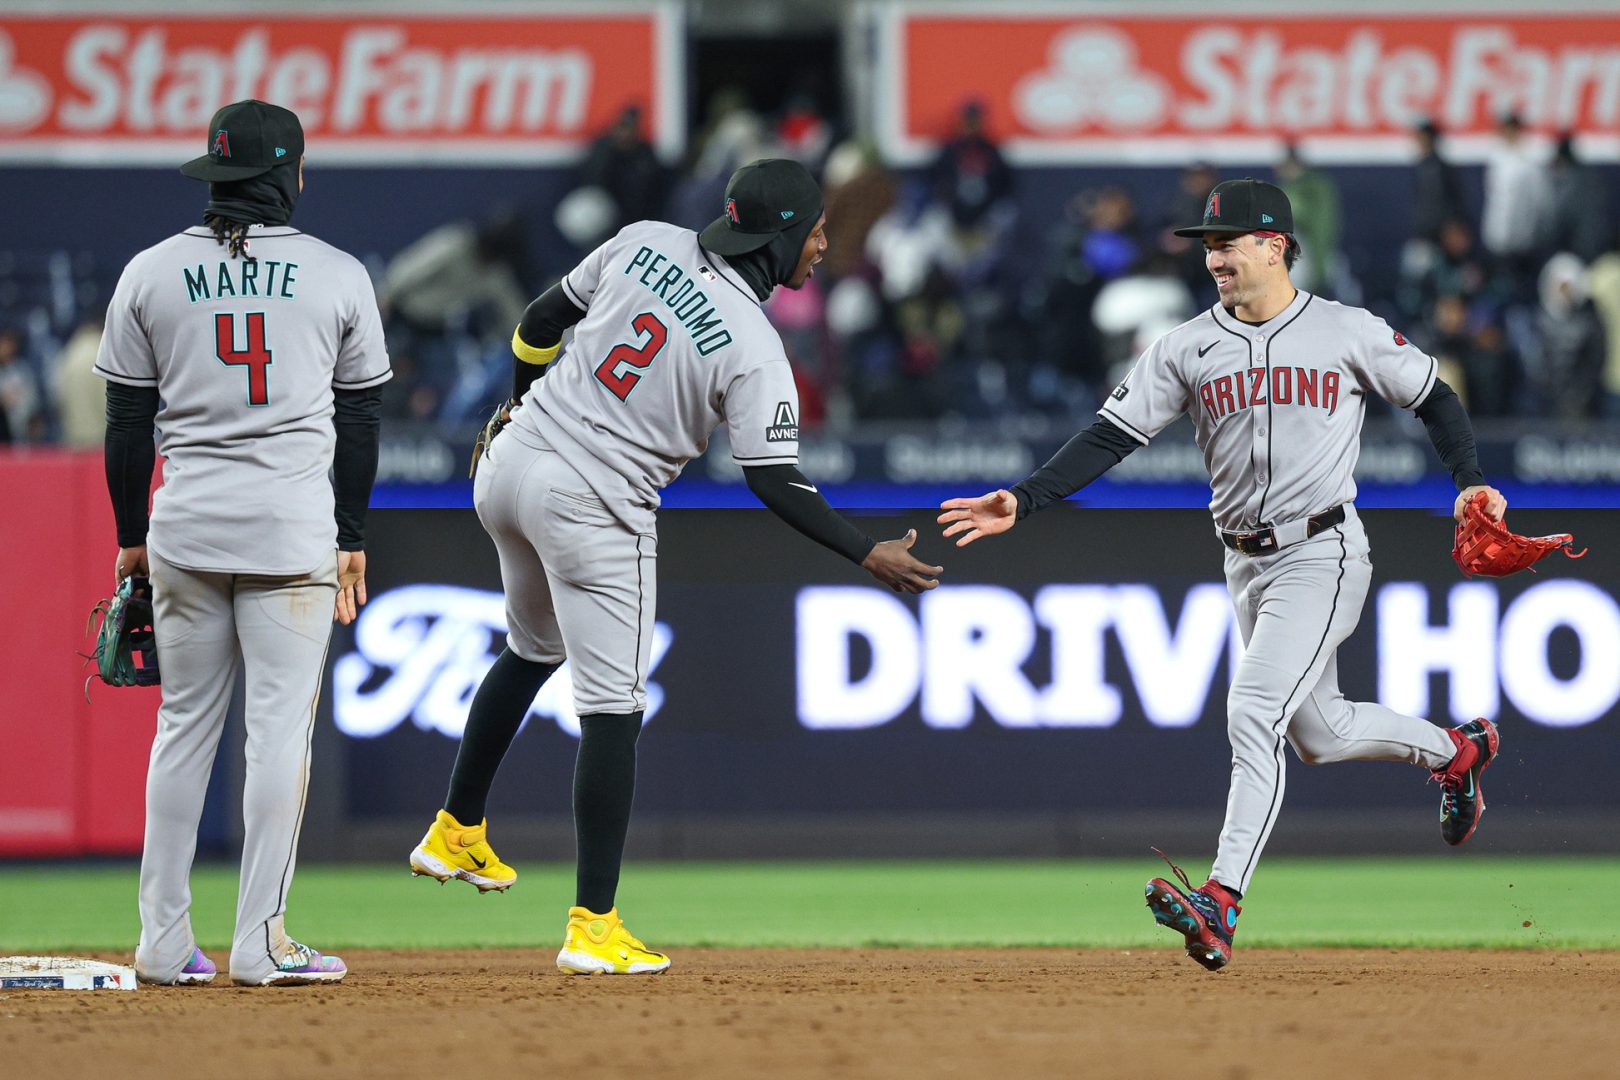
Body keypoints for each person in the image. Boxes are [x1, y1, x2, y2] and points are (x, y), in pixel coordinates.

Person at [937, 178, 1504, 972]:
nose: (1214, 258)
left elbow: (1434, 397)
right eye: (1207, 244)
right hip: (1244, 560)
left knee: (1253, 709)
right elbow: (1110, 434)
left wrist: (1468, 479)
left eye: (1228, 242)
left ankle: (1222, 900)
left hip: (1324, 550)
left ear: (1275, 245)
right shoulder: (1185, 345)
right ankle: (1455, 751)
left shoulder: (1344, 330)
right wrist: (1024, 500)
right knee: (1319, 732)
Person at [408, 158, 943, 974]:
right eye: (816, 230)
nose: (825, 244)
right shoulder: (757, 347)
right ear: (780, 239)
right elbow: (773, 478)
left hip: (508, 465)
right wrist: (864, 548)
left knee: (529, 650)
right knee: (613, 709)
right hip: (593, 500)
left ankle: (456, 831)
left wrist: (521, 398)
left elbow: (537, 321)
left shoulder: (643, 240)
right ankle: (593, 925)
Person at [95, 100, 390, 986]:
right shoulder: (338, 275)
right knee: (275, 742)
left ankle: (161, 941)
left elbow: (125, 424)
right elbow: (363, 417)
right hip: (291, 534)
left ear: (217, 179)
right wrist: (352, 537)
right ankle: (261, 943)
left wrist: (129, 539)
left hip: (183, 527)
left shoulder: (150, 271)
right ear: (291, 176)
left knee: (181, 732)